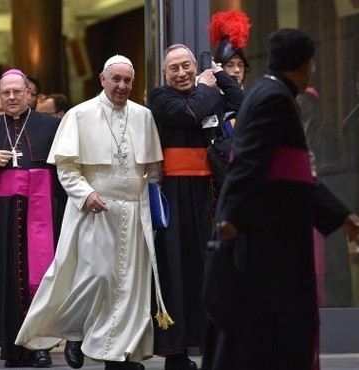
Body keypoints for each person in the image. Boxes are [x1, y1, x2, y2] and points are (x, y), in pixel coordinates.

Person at [201, 28, 359, 370]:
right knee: (271, 333)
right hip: (269, 240)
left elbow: (293, 171)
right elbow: (247, 161)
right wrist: (228, 219)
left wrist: (339, 214)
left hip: (274, 234)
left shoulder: (268, 91)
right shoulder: (274, 97)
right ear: (304, 66)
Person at [15, 55, 172, 370]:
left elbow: (153, 170)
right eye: (116, 79)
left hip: (133, 210)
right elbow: (68, 167)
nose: (122, 86)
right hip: (94, 209)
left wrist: (148, 204)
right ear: (103, 79)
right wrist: (86, 194)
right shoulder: (80, 114)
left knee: (130, 285)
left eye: (128, 80)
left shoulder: (143, 116)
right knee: (96, 278)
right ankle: (75, 332)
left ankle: (119, 355)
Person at [147, 44, 244, 370]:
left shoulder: (209, 89)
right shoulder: (160, 97)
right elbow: (187, 115)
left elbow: (242, 104)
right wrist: (206, 86)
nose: (181, 73)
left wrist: (217, 72)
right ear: (165, 74)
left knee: (212, 267)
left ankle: (216, 346)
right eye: (174, 68)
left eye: (186, 65)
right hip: (174, 193)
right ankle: (176, 353)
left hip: (211, 191)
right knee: (175, 268)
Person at [0, 68, 66, 368]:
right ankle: (13, 347)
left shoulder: (50, 127)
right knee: (6, 277)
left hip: (43, 214)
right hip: (3, 218)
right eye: (5, 92)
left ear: (28, 94)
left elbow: (65, 170)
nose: (11, 97)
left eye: (17, 92)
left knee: (41, 278)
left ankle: (41, 346)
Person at [209, 10, 251, 87]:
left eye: (240, 65)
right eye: (230, 65)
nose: (237, 70)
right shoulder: (210, 96)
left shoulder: (250, 97)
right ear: (219, 67)